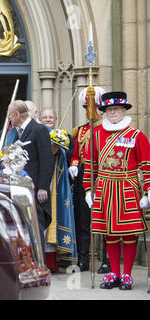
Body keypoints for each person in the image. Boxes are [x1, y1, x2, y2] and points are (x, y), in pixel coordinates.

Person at [83, 91, 150, 290]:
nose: (112, 112)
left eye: (116, 109)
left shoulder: (136, 135)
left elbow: (146, 165)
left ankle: (127, 275)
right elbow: (90, 166)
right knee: (109, 234)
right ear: (104, 112)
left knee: (129, 234)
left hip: (127, 188)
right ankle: (113, 273)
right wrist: (88, 189)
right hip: (104, 189)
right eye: (108, 109)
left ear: (123, 110)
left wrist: (148, 191)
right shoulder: (95, 136)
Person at [68, 86, 109, 272]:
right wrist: (74, 165)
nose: (90, 111)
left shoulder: (107, 129)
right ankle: (83, 258)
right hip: (84, 173)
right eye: (86, 108)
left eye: (94, 107)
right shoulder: (81, 131)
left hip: (102, 173)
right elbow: (76, 153)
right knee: (83, 219)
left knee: (105, 219)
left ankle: (107, 259)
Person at [7, 100, 54, 249]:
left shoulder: (39, 130)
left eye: (9, 115)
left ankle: (40, 265)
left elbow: (47, 160)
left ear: (17, 114)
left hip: (36, 189)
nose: (9, 118)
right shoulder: (18, 133)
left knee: (36, 229)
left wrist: (43, 187)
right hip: (21, 189)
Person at [44, 129, 78, 272]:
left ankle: (52, 263)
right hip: (42, 189)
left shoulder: (61, 156)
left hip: (55, 192)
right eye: (44, 118)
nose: (53, 147)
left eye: (56, 145)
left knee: (53, 225)